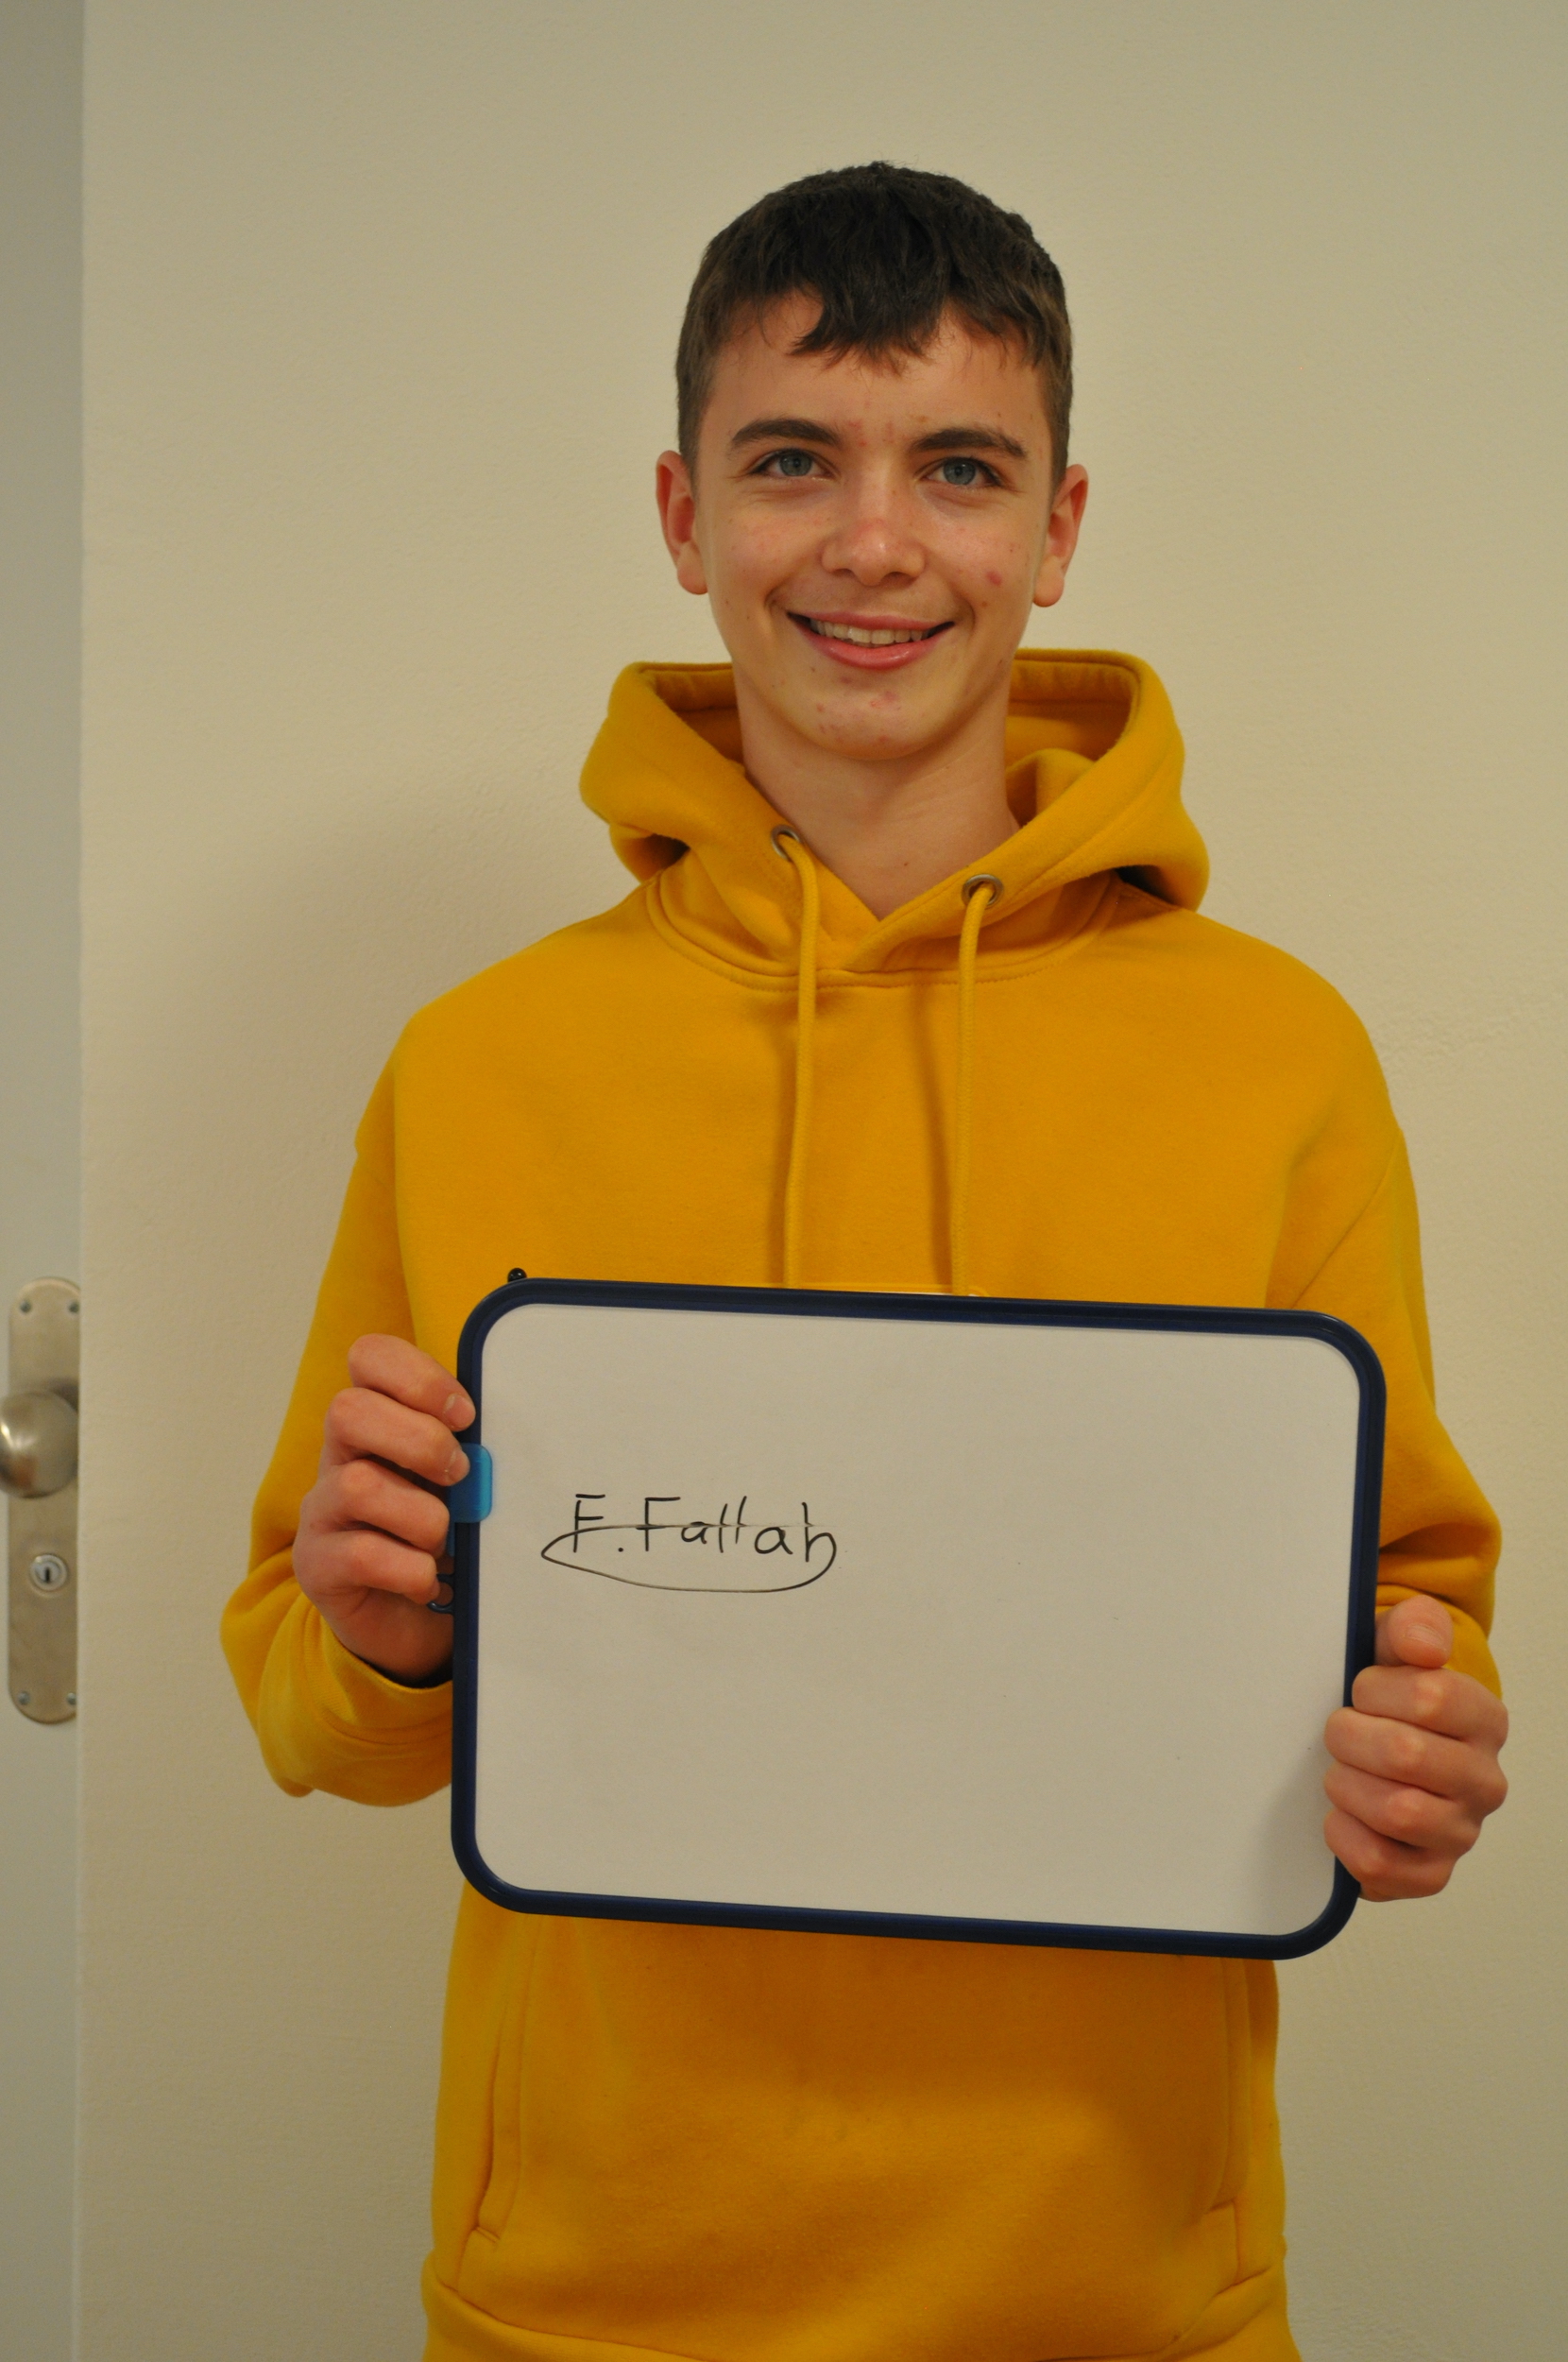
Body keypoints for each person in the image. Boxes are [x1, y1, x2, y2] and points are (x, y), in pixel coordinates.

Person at [222, 163, 1508, 2362]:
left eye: (961, 468)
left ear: (1059, 526)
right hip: (584, 2290)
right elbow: (308, 1692)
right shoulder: (479, 1059)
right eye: (792, 458)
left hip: (1121, 2289)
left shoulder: (1275, 1055)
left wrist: (1415, 1743)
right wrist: (375, 1633)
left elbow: (1408, 1607)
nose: (875, 541)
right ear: (682, 509)